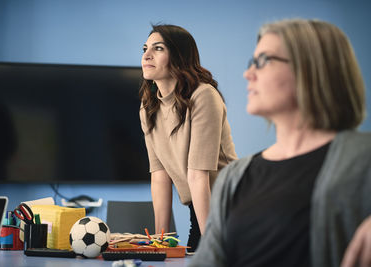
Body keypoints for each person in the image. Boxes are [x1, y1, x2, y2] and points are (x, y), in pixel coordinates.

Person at [189, 18, 371, 267]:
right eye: (251, 62)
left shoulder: (363, 156)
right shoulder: (234, 177)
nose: (248, 73)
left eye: (263, 61)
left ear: (311, 68)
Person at [139, 24, 238, 252]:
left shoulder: (203, 96)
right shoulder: (148, 108)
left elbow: (197, 175)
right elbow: (160, 175)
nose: (146, 55)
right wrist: (159, 243)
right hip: (200, 206)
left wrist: (212, 248)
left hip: (230, 206)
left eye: (158, 48)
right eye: (145, 49)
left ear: (179, 57)